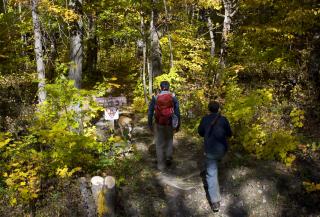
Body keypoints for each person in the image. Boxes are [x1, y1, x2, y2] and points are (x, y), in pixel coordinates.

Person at [198, 101, 232, 212]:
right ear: (218, 109)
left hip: (210, 151)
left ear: (208, 109)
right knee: (217, 161)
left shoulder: (205, 119)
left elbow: (200, 132)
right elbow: (229, 134)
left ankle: (215, 202)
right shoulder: (224, 119)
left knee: (211, 174)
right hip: (222, 150)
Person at [148, 81, 180, 171]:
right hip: (169, 123)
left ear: (160, 87)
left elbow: (150, 112)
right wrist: (178, 124)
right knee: (169, 140)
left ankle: (161, 166)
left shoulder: (155, 97)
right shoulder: (173, 97)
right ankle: (168, 157)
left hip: (158, 123)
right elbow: (177, 112)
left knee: (159, 144)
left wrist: (149, 123)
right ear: (169, 87)